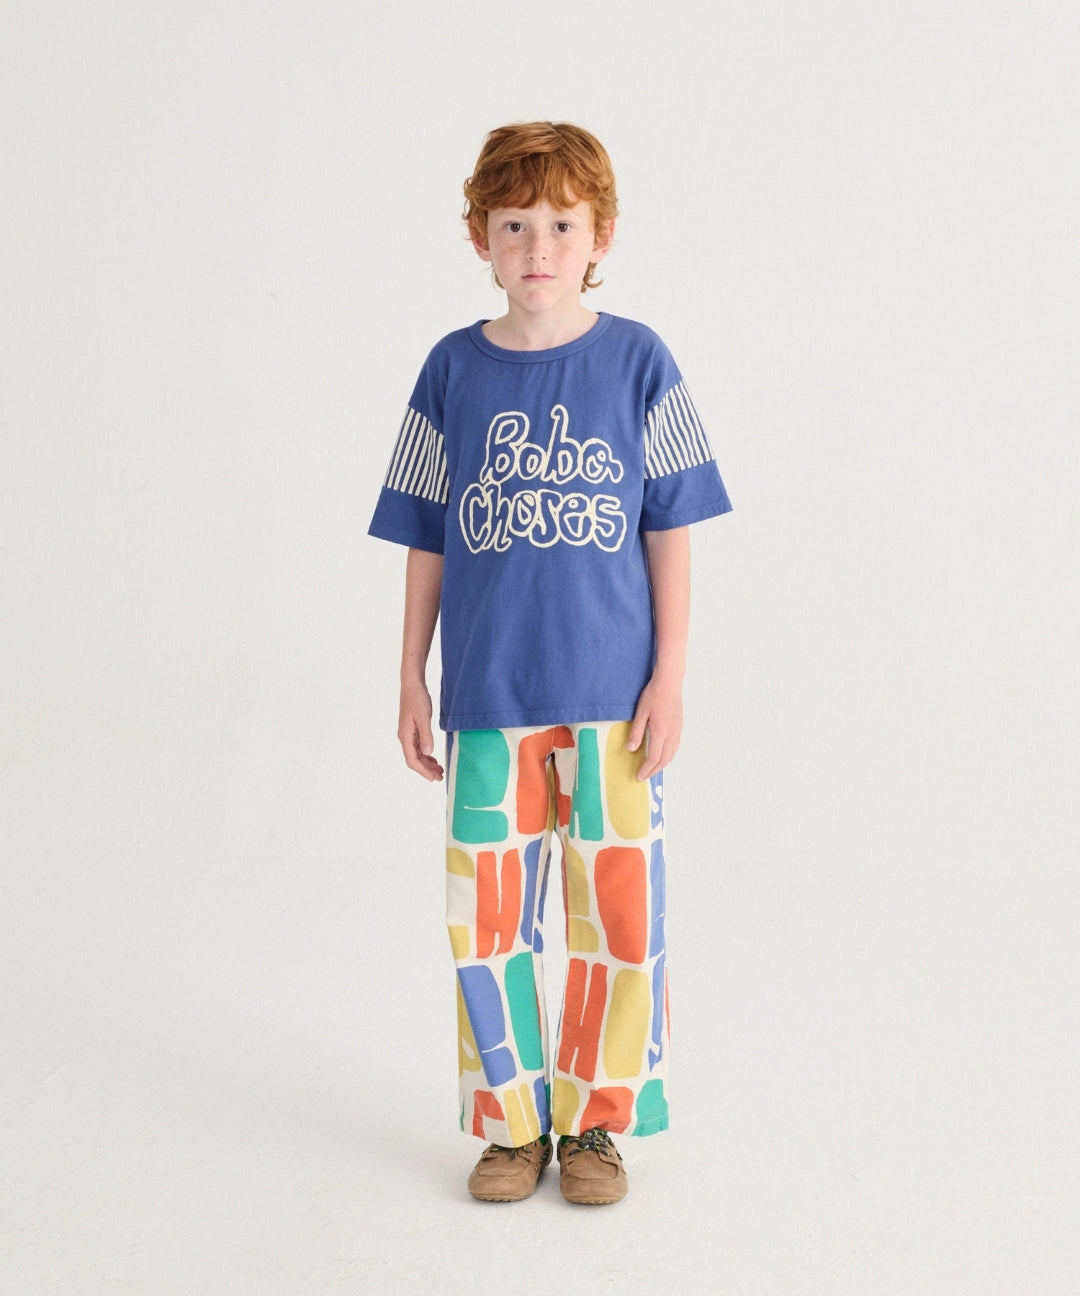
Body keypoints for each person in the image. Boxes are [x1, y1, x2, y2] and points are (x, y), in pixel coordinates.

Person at [368, 121, 732, 1205]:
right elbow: (426, 534)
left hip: (614, 703)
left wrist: (670, 675)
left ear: (600, 236)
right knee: (485, 927)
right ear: (479, 236)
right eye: (516, 224)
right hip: (488, 697)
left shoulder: (639, 362)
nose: (538, 247)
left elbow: (671, 528)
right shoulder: (451, 370)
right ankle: (511, 1127)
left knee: (619, 923)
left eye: (562, 225)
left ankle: (595, 1130)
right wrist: (411, 676)